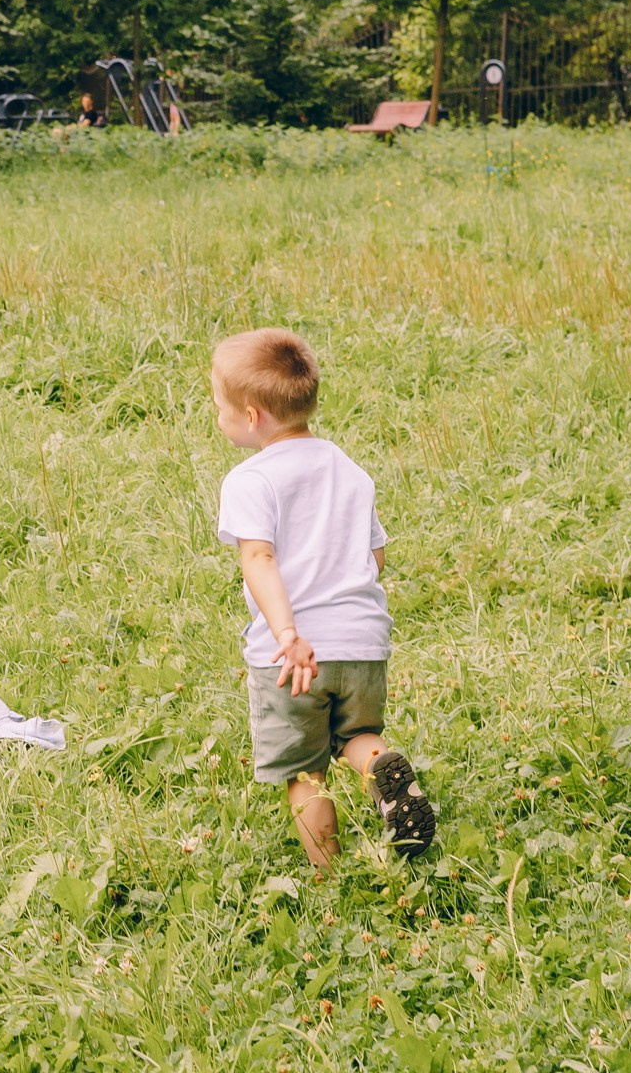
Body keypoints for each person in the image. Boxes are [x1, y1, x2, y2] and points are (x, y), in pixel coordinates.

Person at [210, 328, 435, 863]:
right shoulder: (348, 470)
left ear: (251, 416)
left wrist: (288, 634)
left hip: (293, 660)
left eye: (219, 407)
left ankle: (327, 877)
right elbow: (376, 556)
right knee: (357, 734)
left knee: (304, 772)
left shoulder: (249, 480)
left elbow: (259, 558)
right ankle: (379, 764)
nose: (216, 415)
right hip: (362, 646)